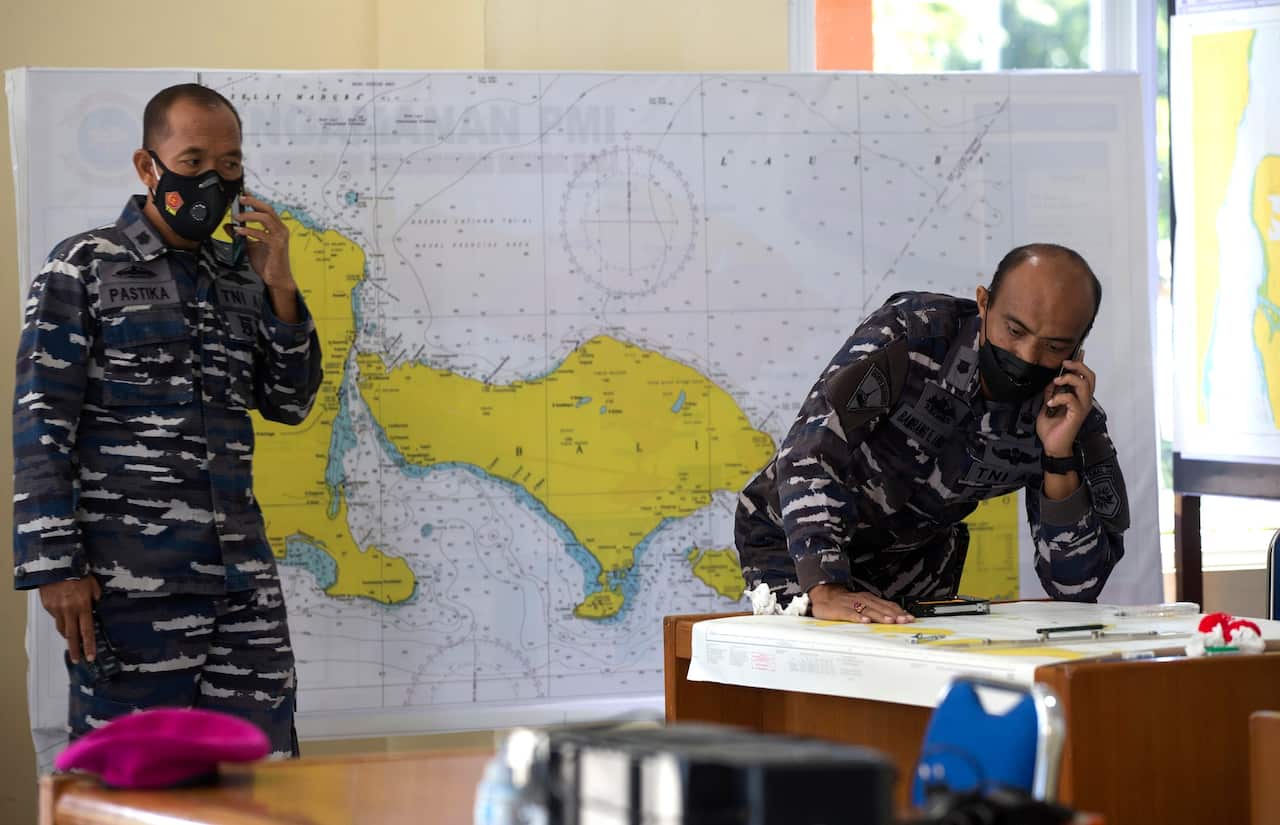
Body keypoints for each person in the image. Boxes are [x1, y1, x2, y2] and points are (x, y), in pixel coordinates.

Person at [13, 83, 322, 754]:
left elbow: (290, 402)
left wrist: (280, 286)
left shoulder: (240, 275)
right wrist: (54, 564)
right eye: (193, 160)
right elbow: (42, 419)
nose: (214, 178)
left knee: (263, 785)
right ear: (147, 166)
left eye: (232, 163)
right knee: (133, 785)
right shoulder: (83, 265)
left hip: (242, 588)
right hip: (130, 590)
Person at [735, 244, 1129, 623]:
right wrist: (827, 589)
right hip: (798, 546)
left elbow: (1077, 588)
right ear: (983, 302)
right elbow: (809, 455)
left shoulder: (1069, 414)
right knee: (821, 669)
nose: (1026, 357)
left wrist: (1058, 457)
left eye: (1054, 346)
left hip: (912, 568)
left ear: (1078, 348)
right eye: (1014, 331)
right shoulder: (911, 337)